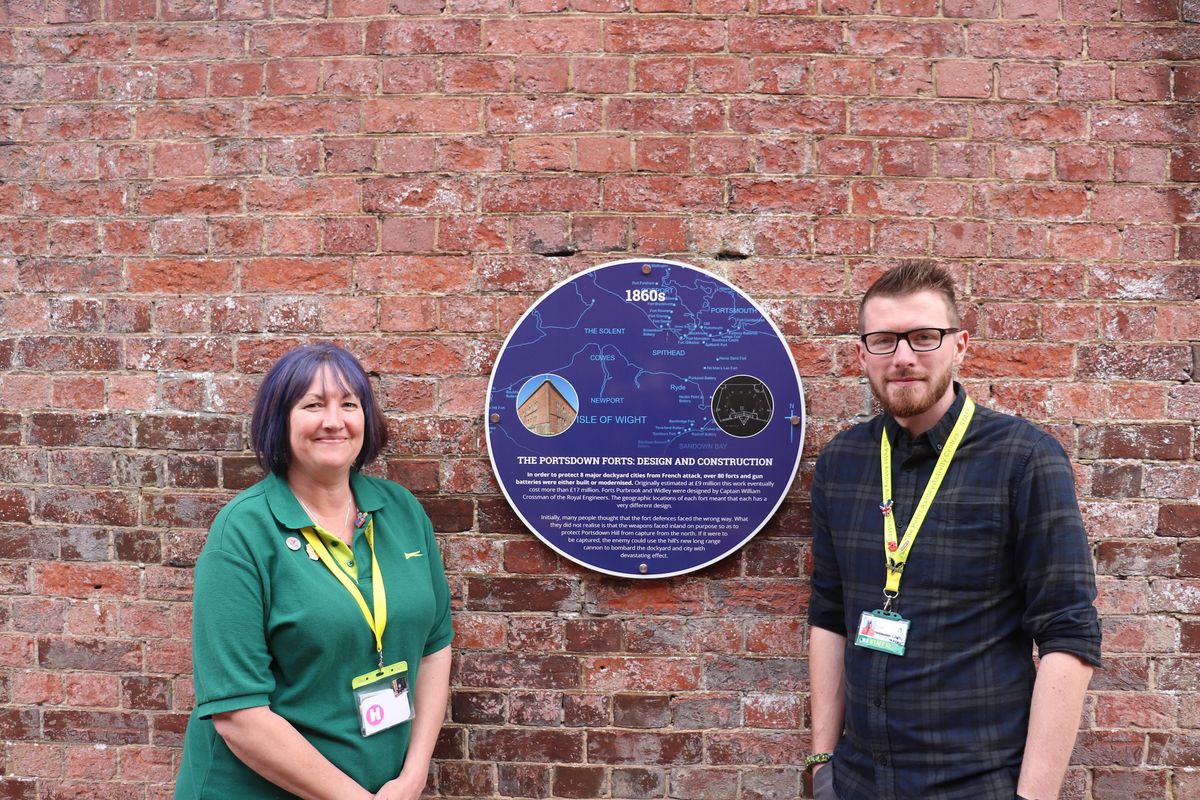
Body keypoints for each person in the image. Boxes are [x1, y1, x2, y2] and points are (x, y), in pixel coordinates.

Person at [806, 261, 1100, 800]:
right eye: (883, 340)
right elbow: (829, 612)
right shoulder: (841, 461)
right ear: (861, 354)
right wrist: (822, 763)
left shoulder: (1024, 459)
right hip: (857, 782)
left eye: (924, 337)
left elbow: (1068, 633)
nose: (903, 357)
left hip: (976, 784)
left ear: (960, 345)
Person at [175, 343, 453, 800]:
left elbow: (434, 649)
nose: (334, 421)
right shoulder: (243, 532)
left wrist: (413, 775)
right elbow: (238, 716)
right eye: (313, 405)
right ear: (279, 421)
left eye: (349, 404)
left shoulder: (401, 511)